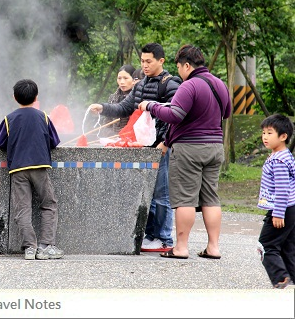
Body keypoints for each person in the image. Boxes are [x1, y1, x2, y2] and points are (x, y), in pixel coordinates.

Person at [138, 44, 231, 259]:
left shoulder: (189, 86)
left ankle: (180, 247)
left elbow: (175, 115)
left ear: (186, 65)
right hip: (215, 147)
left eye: (179, 67)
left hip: (190, 149)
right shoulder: (219, 84)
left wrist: (151, 106)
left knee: (185, 199)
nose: (178, 71)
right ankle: (213, 247)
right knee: (211, 198)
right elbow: (225, 113)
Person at [89, 43, 181, 252]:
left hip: (160, 146)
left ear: (161, 61)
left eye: (149, 61)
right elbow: (124, 108)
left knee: (161, 194)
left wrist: (165, 143)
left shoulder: (170, 84)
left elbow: (176, 116)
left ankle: (164, 238)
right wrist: (102, 108)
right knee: (147, 192)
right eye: (142, 61)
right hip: (142, 146)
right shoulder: (141, 85)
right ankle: (150, 236)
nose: (145, 65)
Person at [0, 79, 64, 260]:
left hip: (18, 168)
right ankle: (46, 246)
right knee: (49, 204)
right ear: (36, 97)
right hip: (40, 167)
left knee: (22, 208)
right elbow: (54, 142)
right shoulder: (44, 117)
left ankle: (30, 248)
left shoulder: (9, 119)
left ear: (15, 98)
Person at [256, 114, 295, 288]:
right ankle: (291, 276)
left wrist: (278, 214)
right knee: (288, 246)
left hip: (282, 208)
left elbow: (282, 189)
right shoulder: (285, 155)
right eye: (264, 132)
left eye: (270, 133)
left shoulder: (278, 160)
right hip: (291, 207)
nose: (265, 137)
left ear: (283, 136)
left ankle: (280, 277)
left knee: (266, 244)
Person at [100, 64, 136, 136]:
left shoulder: (137, 97)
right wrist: (111, 135)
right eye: (119, 78)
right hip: (114, 139)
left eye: (125, 78)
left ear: (134, 80)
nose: (122, 82)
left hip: (131, 138)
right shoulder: (112, 98)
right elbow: (106, 123)